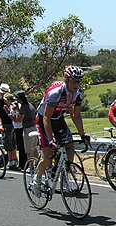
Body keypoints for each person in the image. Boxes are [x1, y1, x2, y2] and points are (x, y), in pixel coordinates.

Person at [33, 65, 90, 196]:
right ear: (67, 80)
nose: (77, 84)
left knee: (70, 146)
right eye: (75, 81)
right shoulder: (55, 93)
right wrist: (51, 139)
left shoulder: (78, 94)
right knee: (47, 156)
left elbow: (76, 116)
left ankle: (64, 173)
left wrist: (83, 135)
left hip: (58, 119)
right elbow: (46, 117)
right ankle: (38, 179)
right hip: (43, 120)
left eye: (79, 81)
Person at [0, 85, 18, 170]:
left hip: (6, 125)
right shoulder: (13, 104)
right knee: (12, 143)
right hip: (12, 125)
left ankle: (10, 161)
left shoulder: (3, 103)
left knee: (8, 144)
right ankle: (12, 161)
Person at [12, 90, 39, 160]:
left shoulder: (24, 107)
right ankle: (36, 164)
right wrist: (18, 108)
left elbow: (18, 120)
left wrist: (14, 111)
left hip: (28, 129)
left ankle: (31, 166)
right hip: (34, 127)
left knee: (29, 150)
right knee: (34, 148)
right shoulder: (29, 105)